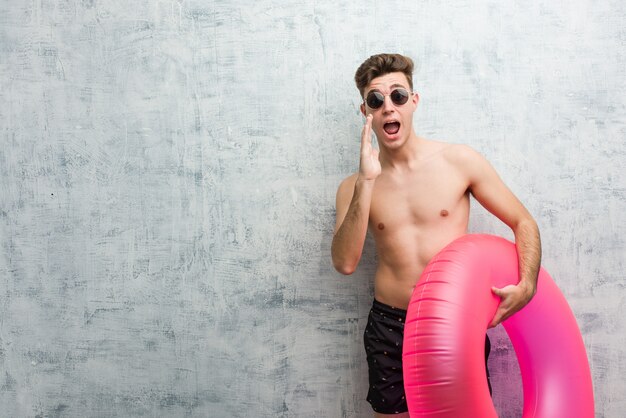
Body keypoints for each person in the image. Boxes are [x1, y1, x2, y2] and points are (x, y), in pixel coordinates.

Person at [331, 53, 541, 417]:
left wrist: (528, 284)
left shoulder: (459, 161)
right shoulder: (353, 186)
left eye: (397, 96)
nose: (388, 107)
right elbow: (345, 263)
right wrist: (366, 180)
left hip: (455, 322)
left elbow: (523, 221)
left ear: (414, 102)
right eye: (376, 100)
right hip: (389, 324)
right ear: (365, 111)